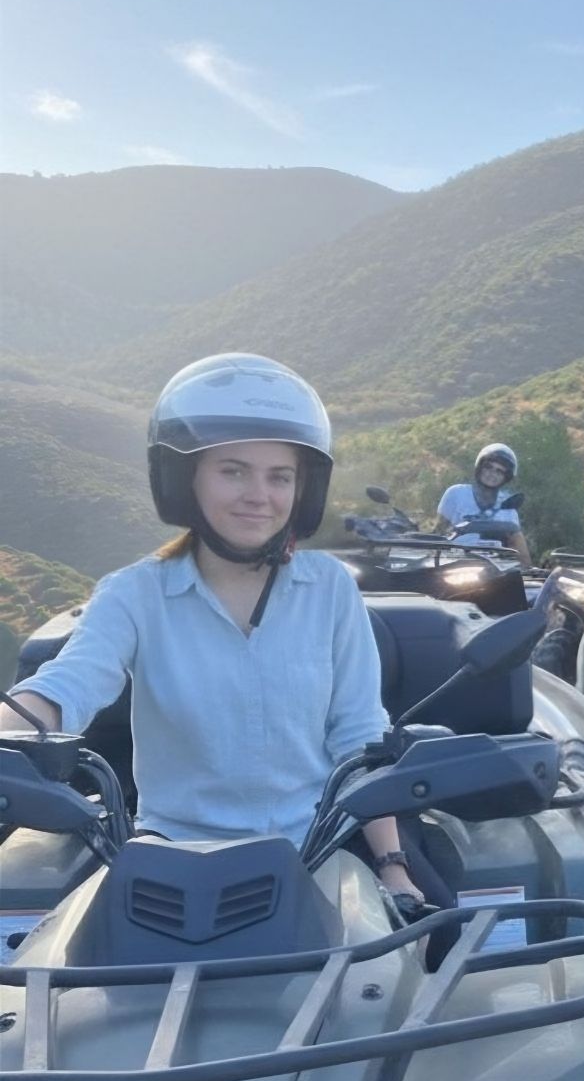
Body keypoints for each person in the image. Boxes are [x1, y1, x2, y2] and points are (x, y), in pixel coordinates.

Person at [1, 353, 430, 908]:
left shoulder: (330, 590)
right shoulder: (136, 593)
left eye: (280, 476)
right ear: (186, 480)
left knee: (436, 946)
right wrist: (9, 727)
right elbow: (69, 685)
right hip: (173, 861)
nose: (259, 494)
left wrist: (393, 867)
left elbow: (359, 734)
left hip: (317, 848)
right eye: (233, 470)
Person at [436, 442, 532, 567]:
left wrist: (526, 569)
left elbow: (519, 548)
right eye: (488, 467)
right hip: (454, 562)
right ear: (479, 468)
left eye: (499, 471)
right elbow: (438, 532)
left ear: (506, 477)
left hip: (494, 568)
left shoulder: (508, 506)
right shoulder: (456, 493)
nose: (492, 474)